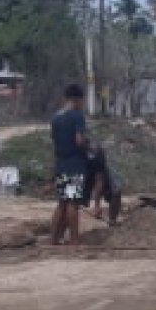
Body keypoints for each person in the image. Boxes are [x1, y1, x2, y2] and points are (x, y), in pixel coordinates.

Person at [50, 84, 89, 246]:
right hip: (74, 164)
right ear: (77, 99)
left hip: (61, 163)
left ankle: (54, 238)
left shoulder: (55, 117)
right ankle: (74, 238)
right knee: (73, 203)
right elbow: (79, 140)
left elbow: (55, 144)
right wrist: (88, 147)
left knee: (61, 203)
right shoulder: (76, 116)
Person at [84, 146, 123, 226]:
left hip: (110, 183)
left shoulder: (109, 175)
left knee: (115, 192)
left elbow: (99, 183)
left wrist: (97, 206)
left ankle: (112, 218)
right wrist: (96, 205)